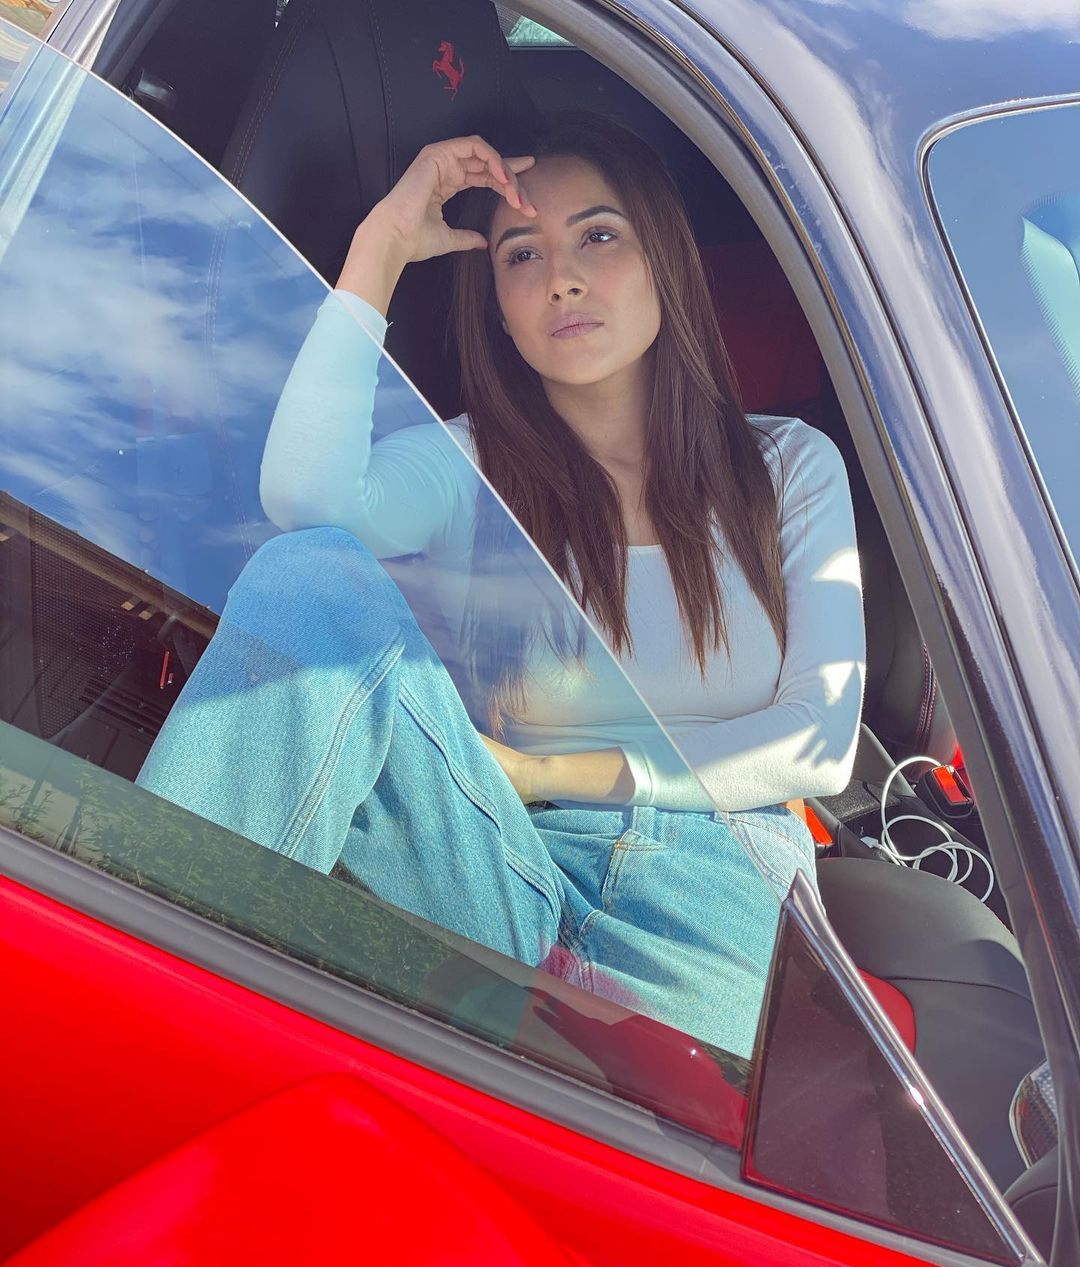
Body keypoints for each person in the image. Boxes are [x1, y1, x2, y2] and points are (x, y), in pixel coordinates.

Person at [137, 114, 865, 1059]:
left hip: (708, 890)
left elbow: (819, 743)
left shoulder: (786, 468)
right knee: (312, 574)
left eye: (598, 237)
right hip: (494, 856)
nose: (561, 276)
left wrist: (549, 772)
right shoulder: (467, 466)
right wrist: (383, 244)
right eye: (523, 254)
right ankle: (132, 1006)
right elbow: (304, 501)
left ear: (664, 263)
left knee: (607, 1166)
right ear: (501, 308)